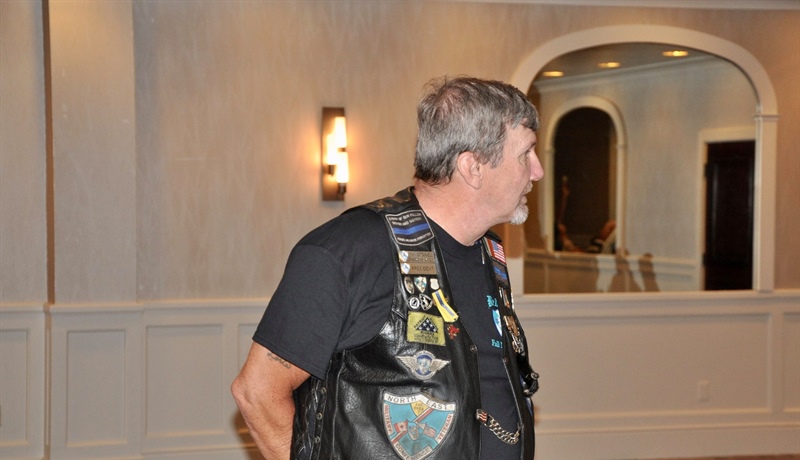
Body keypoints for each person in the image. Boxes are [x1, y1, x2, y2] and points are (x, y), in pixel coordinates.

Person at [231, 76, 543, 460]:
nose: (537, 171)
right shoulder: (351, 248)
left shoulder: (489, 252)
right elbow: (257, 393)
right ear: (473, 167)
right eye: (525, 154)